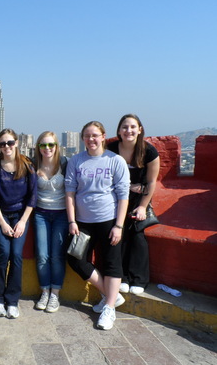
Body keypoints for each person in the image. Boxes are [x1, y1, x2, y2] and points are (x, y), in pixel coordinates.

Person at [65, 121, 130, 331]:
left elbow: (123, 196)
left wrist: (119, 225)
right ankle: (112, 294)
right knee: (75, 258)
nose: (91, 139)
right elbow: (70, 193)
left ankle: (109, 307)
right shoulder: (76, 161)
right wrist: (72, 220)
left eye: (95, 135)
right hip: (83, 221)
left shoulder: (115, 161)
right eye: (87, 136)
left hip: (108, 219)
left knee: (111, 262)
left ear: (103, 136)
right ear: (83, 138)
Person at [108, 114, 160, 295]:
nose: (128, 131)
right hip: (116, 197)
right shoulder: (112, 148)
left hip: (139, 199)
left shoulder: (149, 152)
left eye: (132, 127)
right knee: (118, 233)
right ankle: (121, 277)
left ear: (140, 130)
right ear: (119, 131)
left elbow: (152, 182)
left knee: (137, 233)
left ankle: (139, 279)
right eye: (124, 127)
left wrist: (143, 206)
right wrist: (128, 186)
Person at [0, 129, 37, 319]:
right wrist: (2, 222)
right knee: (3, 253)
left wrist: (23, 221)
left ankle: (12, 300)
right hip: (1, 215)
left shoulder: (26, 165)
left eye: (9, 143)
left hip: (20, 215)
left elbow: (33, 196)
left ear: (16, 143)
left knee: (16, 254)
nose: (6, 147)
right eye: (2, 144)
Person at [33, 131, 68, 313]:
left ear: (56, 147)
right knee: (42, 255)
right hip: (41, 214)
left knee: (57, 255)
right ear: (38, 147)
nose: (47, 148)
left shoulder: (64, 164)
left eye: (51, 145)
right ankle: (44, 291)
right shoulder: (33, 164)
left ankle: (55, 293)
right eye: (43, 145)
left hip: (61, 214)